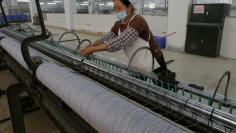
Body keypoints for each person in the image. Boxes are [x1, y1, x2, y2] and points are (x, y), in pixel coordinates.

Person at [80, 0, 175, 80]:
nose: (116, 11)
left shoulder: (138, 21)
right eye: (115, 8)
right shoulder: (118, 24)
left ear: (129, 7)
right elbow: (106, 38)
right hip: (136, 62)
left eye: (119, 8)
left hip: (154, 60)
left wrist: (93, 50)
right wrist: (91, 45)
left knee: (162, 89)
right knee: (140, 89)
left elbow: (121, 41)